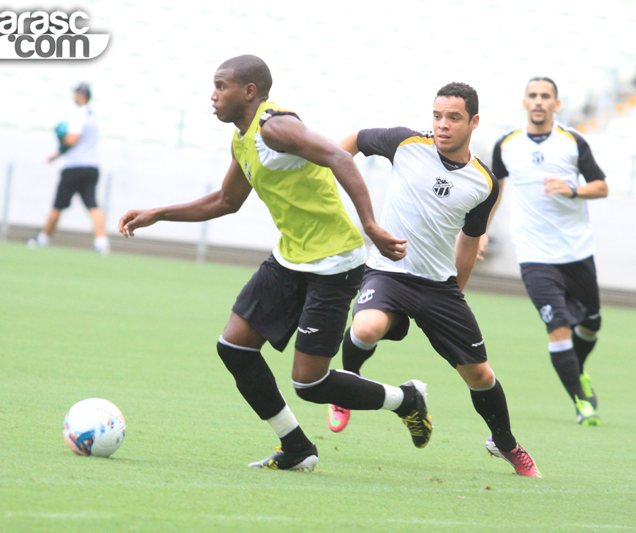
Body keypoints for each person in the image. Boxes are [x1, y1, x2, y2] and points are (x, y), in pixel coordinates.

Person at [118, 55, 432, 472]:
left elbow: (339, 158)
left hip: (334, 264)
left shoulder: (277, 127)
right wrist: (159, 213)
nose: (213, 95)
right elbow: (225, 201)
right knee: (234, 347)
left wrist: (370, 224)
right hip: (290, 258)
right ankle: (297, 447)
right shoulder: (242, 138)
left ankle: (406, 399)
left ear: (249, 91)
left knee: (310, 382)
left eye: (221, 85)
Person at [326, 82, 541, 478]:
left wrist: (454, 295)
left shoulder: (484, 183)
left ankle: (504, 442)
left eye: (453, 118)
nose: (442, 125)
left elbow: (469, 242)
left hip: (437, 286)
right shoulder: (406, 144)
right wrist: (328, 176)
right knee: (366, 327)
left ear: (474, 122)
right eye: (437, 116)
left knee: (481, 375)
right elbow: (354, 141)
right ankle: (346, 388)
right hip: (388, 271)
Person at [491, 77, 608, 425]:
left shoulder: (572, 142)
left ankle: (578, 370)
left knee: (590, 325)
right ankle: (581, 401)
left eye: (546, 96)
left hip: (576, 251)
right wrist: (481, 229)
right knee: (557, 327)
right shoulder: (507, 145)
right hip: (534, 255)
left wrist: (572, 189)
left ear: (556, 104)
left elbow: (601, 186)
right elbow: (494, 187)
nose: (539, 101)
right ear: (524, 102)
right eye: (533, 96)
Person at [28, 83, 110, 254]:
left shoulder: (79, 114)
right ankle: (101, 242)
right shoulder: (93, 116)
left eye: (75, 93)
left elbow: (72, 140)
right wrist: (57, 153)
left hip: (74, 167)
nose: (73, 96)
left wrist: (61, 137)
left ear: (81, 95)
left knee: (58, 205)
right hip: (91, 167)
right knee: (93, 205)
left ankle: (43, 238)